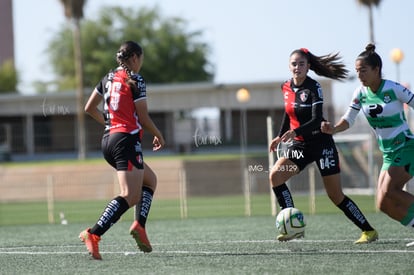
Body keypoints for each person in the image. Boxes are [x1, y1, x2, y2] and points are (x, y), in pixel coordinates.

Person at [269, 48, 378, 243]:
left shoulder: (314, 87)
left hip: (321, 144)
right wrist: (279, 137)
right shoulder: (285, 87)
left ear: (308, 66)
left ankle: (368, 231)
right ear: (289, 66)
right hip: (300, 147)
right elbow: (288, 114)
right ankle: (293, 226)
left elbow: (316, 118)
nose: (297, 67)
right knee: (276, 176)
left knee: (335, 195)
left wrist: (295, 132)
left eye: (301, 64)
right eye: (294, 64)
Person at [81, 40, 165, 260]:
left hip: (108, 141)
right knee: (130, 195)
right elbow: (144, 118)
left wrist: (110, 124)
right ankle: (93, 233)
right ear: (135, 58)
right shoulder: (136, 80)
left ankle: (140, 226)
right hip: (126, 142)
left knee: (151, 180)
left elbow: (89, 108)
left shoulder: (106, 78)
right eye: (142, 59)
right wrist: (159, 134)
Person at [321, 43, 414, 237]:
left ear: (376, 69)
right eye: (357, 71)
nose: (360, 75)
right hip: (389, 154)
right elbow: (348, 119)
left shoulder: (393, 89)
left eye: (363, 70)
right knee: (383, 203)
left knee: (390, 190)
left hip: (406, 147)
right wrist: (333, 129)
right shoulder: (360, 94)